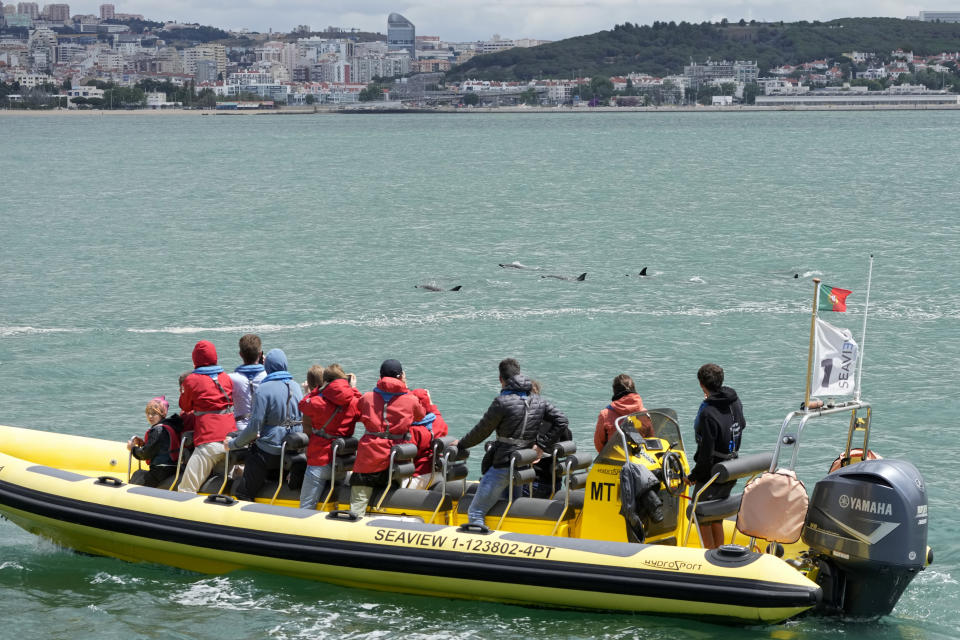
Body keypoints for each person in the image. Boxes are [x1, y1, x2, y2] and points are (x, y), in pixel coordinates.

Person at [454, 358, 568, 528]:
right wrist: (540, 446)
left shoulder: (502, 402)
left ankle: (478, 544)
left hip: (503, 462)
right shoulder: (538, 401)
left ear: (501, 379)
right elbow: (562, 420)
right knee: (511, 503)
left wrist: (461, 445)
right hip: (523, 462)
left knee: (476, 510)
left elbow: (481, 431)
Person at [349, 359, 425, 516]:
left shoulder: (368, 397)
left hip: (367, 459)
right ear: (401, 376)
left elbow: (357, 409)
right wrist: (405, 389)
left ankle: (353, 529)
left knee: (358, 503)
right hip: (394, 460)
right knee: (391, 502)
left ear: (380, 376)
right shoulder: (410, 399)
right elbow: (421, 415)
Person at [683, 363, 746, 549]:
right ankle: (720, 554)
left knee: (702, 517)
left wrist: (693, 477)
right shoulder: (734, 401)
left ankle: (710, 559)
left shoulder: (708, 413)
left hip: (714, 473)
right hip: (732, 468)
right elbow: (741, 424)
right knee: (716, 516)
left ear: (702, 385)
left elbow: (706, 455)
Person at [228, 348, 304, 502]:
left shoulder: (263, 390)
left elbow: (253, 427)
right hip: (292, 449)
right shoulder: (296, 387)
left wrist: (233, 444)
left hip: (268, 453)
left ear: (267, 366)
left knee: (244, 492)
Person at [298, 364, 361, 509]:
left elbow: (302, 404)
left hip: (319, 462)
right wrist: (352, 389)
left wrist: (317, 390)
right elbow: (363, 407)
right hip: (341, 463)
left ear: (326, 381)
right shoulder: (353, 402)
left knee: (306, 507)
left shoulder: (318, 401)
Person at [178, 340, 236, 494]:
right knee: (222, 488)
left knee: (185, 490)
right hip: (230, 440)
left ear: (195, 358)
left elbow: (185, 406)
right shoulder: (226, 378)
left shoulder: (191, 380)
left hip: (208, 442)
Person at [128, 396, 184, 488]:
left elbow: (145, 454)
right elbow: (161, 447)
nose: (150, 416)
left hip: (160, 471)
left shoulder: (158, 430)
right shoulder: (169, 426)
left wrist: (133, 448)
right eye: (148, 413)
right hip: (172, 468)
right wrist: (144, 444)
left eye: (154, 413)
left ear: (162, 414)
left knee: (137, 480)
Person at [403, 388, 450, 490]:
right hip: (438, 475)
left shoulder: (412, 429)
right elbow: (436, 414)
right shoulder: (439, 422)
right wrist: (429, 402)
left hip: (417, 478)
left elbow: (404, 457)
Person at [594, 374, 652, 453]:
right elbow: (650, 439)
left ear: (615, 391)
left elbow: (599, 444)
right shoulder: (644, 413)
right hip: (640, 459)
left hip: (614, 459)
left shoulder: (605, 414)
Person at [228, 334, 266, 432]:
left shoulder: (231, 378)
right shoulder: (268, 376)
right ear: (260, 354)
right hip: (263, 428)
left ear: (240, 354)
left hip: (240, 428)